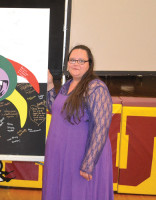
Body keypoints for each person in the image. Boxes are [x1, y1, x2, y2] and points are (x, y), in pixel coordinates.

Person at [42, 45, 114, 200]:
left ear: (89, 64)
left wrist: (89, 163)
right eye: (73, 60)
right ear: (67, 63)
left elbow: (101, 127)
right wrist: (49, 85)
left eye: (81, 61)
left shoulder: (96, 87)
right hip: (60, 156)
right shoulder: (67, 85)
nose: (76, 64)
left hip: (80, 157)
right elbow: (54, 109)